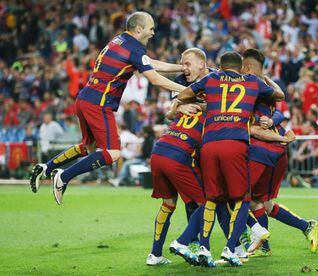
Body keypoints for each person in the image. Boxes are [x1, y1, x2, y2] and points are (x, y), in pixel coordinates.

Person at [30, 11, 186, 204]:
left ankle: (46, 167)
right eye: (151, 28)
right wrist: (187, 89)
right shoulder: (135, 48)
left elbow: (149, 64)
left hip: (84, 99)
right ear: (139, 29)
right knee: (113, 153)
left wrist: (179, 68)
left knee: (88, 148)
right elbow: (153, 78)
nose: (153, 33)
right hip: (99, 103)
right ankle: (63, 177)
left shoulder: (120, 41)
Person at [174, 51, 277, 267]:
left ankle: (203, 246)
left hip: (209, 144)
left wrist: (199, 104)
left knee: (212, 198)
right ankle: (231, 249)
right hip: (235, 143)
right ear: (240, 68)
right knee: (243, 198)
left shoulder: (211, 79)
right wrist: (269, 82)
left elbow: (182, 95)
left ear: (219, 67)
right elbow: (279, 96)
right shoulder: (252, 82)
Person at [241, 49, 318, 255]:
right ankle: (304, 227)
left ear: (247, 67)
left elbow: (256, 128)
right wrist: (275, 125)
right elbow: (280, 111)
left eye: (242, 66)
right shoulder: (266, 86)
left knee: (240, 197)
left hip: (261, 151)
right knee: (263, 203)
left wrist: (276, 132)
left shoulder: (248, 87)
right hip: (278, 154)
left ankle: (248, 243)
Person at [147, 48, 212, 266]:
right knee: (208, 201)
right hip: (182, 152)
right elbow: (170, 112)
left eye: (188, 64)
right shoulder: (182, 84)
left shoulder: (216, 81)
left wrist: (190, 107)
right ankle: (189, 243)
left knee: (169, 203)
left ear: (202, 64)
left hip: (161, 149)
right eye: (182, 64)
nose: (184, 69)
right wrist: (180, 108)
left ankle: (155, 254)